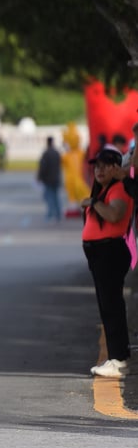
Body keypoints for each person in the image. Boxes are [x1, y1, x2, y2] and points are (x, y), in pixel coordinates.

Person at [81, 145, 133, 378]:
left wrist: (93, 203)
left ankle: (118, 359)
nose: (100, 170)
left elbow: (115, 215)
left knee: (112, 306)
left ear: (116, 167)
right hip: (99, 253)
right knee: (107, 305)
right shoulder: (104, 190)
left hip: (110, 252)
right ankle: (117, 356)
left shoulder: (119, 189)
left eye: (106, 165)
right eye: (97, 166)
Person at [37, 136, 62, 221]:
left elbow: (43, 167)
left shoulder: (46, 153)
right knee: (56, 197)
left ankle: (50, 214)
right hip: (56, 178)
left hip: (48, 179)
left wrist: (39, 177)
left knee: (49, 197)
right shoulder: (56, 153)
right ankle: (58, 214)